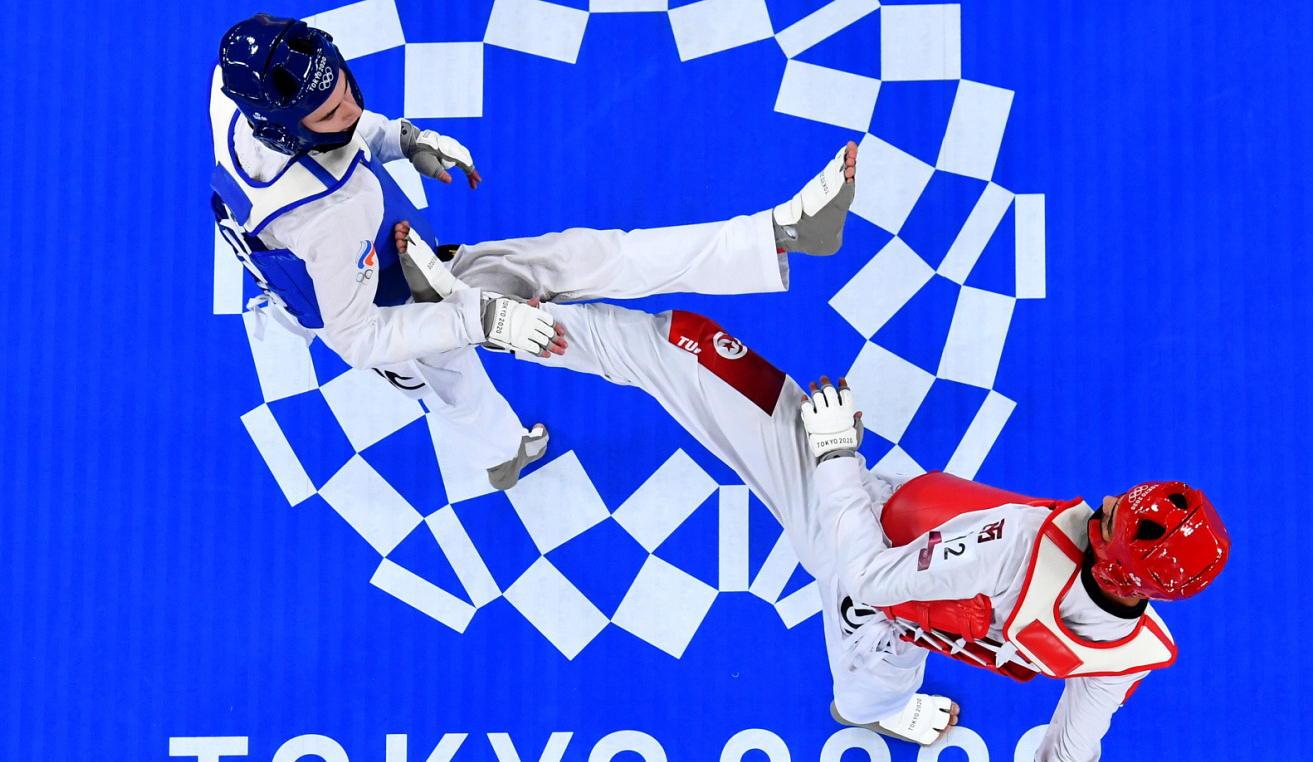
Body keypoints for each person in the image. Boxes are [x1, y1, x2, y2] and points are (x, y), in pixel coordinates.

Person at [387, 246, 1231, 762]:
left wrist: (832, 453)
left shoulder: (1015, 548)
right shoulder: (1125, 652)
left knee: (679, 345)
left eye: (1111, 520)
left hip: (862, 548)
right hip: (920, 590)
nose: (1103, 504)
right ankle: (881, 704)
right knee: (878, 675)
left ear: (1117, 564)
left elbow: (865, 575)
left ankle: (476, 317)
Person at [209, 13, 858, 490]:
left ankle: (776, 234)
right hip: (391, 311)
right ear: (285, 132)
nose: (350, 107)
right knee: (467, 381)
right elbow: (357, 337)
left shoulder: (236, 89)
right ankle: (503, 458)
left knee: (581, 258)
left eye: (346, 87)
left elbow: (344, 125)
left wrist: (401, 139)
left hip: (408, 258)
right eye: (329, 114)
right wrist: (482, 319)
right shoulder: (329, 214)